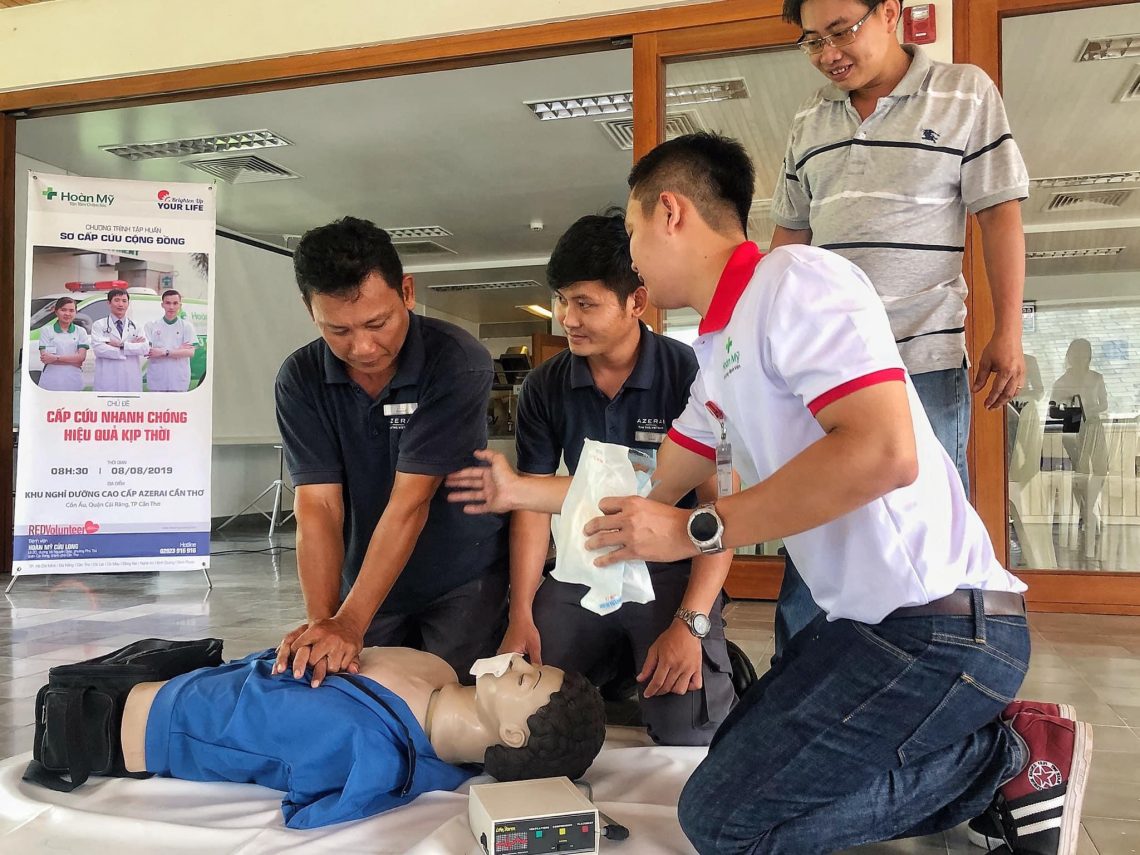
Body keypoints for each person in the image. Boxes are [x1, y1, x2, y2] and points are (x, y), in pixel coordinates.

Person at [447, 134, 1090, 855]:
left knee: (725, 823)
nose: (632, 256)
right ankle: (969, 760)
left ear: (670, 213)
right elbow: (646, 484)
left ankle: (1008, 761)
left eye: (631, 232)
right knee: (727, 771)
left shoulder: (797, 282)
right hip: (862, 627)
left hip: (940, 628)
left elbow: (883, 452)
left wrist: (692, 532)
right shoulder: (718, 348)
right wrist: (518, 489)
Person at [768, 0, 1033, 658]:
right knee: (814, 533)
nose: (828, 54)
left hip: (923, 361)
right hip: (826, 371)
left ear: (889, 12)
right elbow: (789, 240)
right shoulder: (810, 119)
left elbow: (999, 215)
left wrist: (1008, 331)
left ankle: (934, 680)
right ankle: (796, 685)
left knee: (926, 538)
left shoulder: (964, 91)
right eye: (811, 41)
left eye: (841, 32)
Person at [502, 212, 735, 746]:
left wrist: (692, 622)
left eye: (585, 304)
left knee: (687, 733)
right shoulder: (544, 386)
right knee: (527, 713)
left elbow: (720, 511)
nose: (568, 319)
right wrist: (521, 613)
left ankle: (692, 663)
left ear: (637, 301)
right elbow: (532, 506)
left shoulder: (691, 374)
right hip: (584, 568)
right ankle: (611, 668)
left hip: (670, 571)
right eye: (562, 301)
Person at [273, 216, 509, 689]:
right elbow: (318, 506)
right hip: (366, 574)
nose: (363, 347)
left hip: (459, 575)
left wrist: (349, 622)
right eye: (338, 330)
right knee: (356, 693)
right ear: (310, 310)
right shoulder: (300, 378)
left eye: (377, 323)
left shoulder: (456, 361)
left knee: (451, 702)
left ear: (407, 292)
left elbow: (410, 502)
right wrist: (325, 624)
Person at [28, 639, 605, 830]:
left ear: (511, 733)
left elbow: (305, 814)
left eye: (524, 678)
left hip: (121, 721)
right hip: (171, 676)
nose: (514, 659)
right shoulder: (433, 669)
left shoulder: (369, 755)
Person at [91, 288, 149, 393]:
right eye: (117, 300)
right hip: (107, 379)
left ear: (128, 304)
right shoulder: (99, 325)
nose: (121, 304)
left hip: (130, 379)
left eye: (124, 301)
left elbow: (144, 348)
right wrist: (130, 347)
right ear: (109, 303)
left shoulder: (136, 326)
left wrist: (121, 345)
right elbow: (99, 349)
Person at [144, 289, 198, 392]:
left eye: (175, 303)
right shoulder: (151, 325)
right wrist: (178, 351)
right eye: (168, 303)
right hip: (158, 378)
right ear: (162, 305)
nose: (171, 307)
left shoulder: (187, 326)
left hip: (178, 379)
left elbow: (190, 352)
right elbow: (149, 351)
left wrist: (163, 352)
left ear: (180, 305)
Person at [37, 296, 90, 391]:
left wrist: (55, 358)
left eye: (71, 310)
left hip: (73, 379)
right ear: (56, 311)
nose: (67, 314)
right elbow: (46, 359)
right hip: (51, 379)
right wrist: (73, 360)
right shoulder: (46, 331)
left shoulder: (80, 331)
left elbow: (81, 358)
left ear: (76, 312)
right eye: (63, 310)